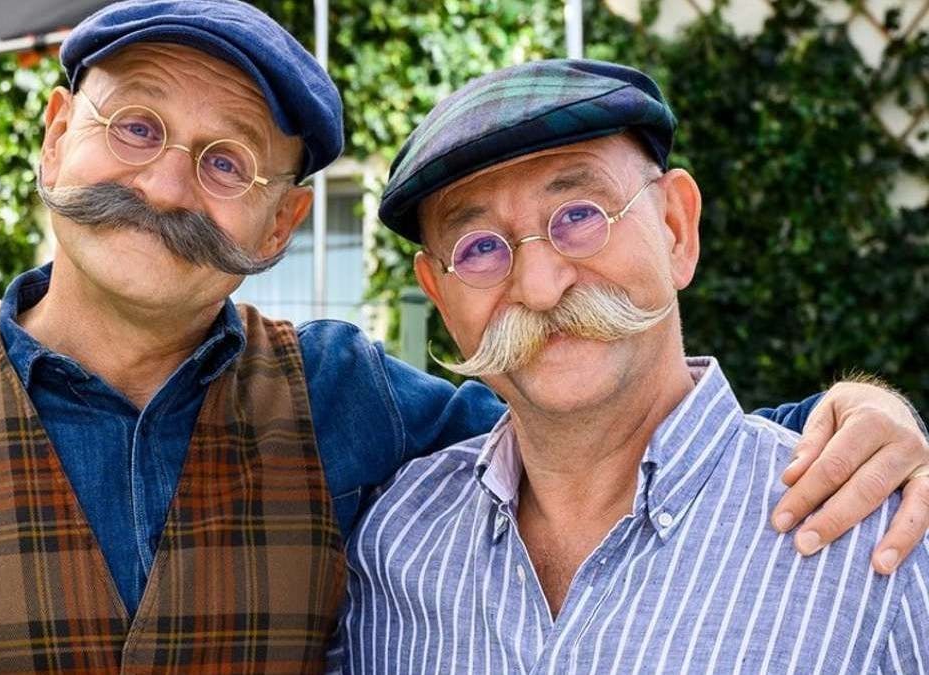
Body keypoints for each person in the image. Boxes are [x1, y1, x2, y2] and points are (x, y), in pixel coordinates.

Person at [0, 0, 924, 671]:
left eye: (228, 162)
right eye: (135, 126)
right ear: (55, 139)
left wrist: (862, 422)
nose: (165, 185)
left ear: (280, 222)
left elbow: (590, 416)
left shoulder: (346, 404)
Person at [330, 59, 929, 672]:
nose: (540, 288)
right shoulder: (392, 547)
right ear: (439, 295)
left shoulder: (884, 542)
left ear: (676, 228)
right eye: (480, 248)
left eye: (579, 215)